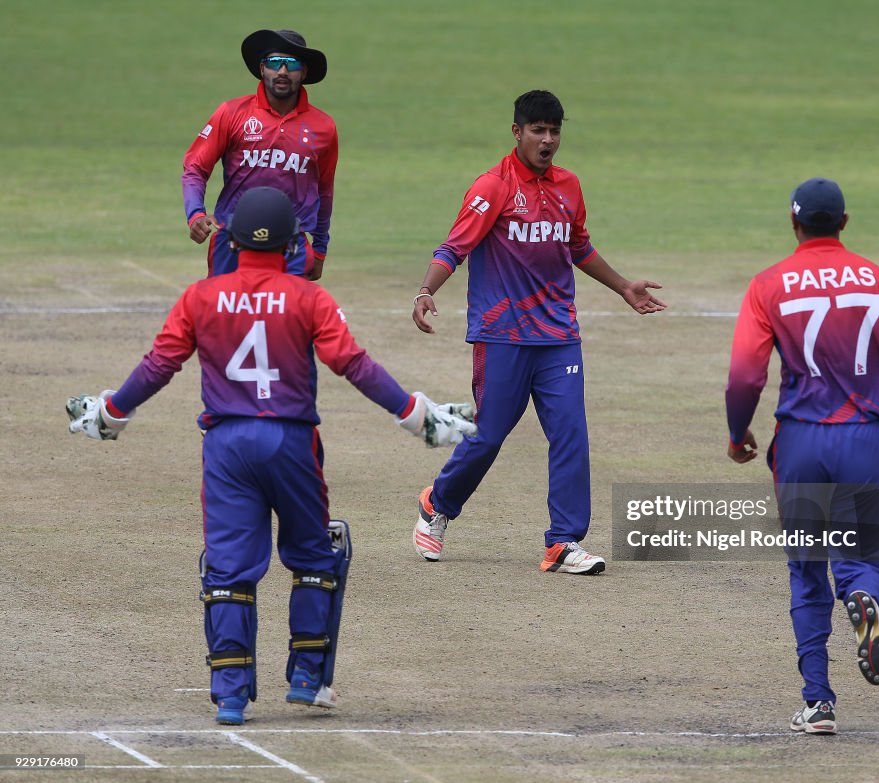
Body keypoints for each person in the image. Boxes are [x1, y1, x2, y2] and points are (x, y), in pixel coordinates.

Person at [66, 187, 475, 725]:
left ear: (232, 241)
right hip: (290, 443)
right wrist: (418, 416)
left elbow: (159, 365)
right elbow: (353, 365)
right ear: (293, 246)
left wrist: (111, 412)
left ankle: (232, 696)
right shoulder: (309, 298)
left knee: (229, 569)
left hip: (227, 446)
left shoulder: (200, 297)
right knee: (314, 557)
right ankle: (307, 679)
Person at [410, 90, 667, 575]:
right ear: (517, 133)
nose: (548, 140)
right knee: (487, 437)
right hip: (502, 333)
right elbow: (454, 248)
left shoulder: (569, 185)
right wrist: (425, 291)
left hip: (558, 335)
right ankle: (436, 503)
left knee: (570, 433)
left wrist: (622, 287)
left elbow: (579, 247)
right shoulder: (493, 187)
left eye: (555, 131)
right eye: (538, 131)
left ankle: (563, 542)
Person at [725, 178, 879, 734]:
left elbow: (747, 372)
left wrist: (736, 431)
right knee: (863, 560)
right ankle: (863, 594)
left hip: (799, 443)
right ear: (844, 222)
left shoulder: (769, 284)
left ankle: (818, 701)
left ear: (794, 224)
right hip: (863, 439)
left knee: (805, 569)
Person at [182, 29, 338, 280]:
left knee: (285, 318)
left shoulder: (324, 127)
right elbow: (195, 169)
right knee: (227, 317)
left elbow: (325, 192)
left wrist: (319, 249)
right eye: (275, 63)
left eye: (292, 64)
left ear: (305, 72)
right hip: (232, 240)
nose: (283, 71)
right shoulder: (232, 113)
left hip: (291, 244)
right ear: (262, 68)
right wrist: (195, 214)